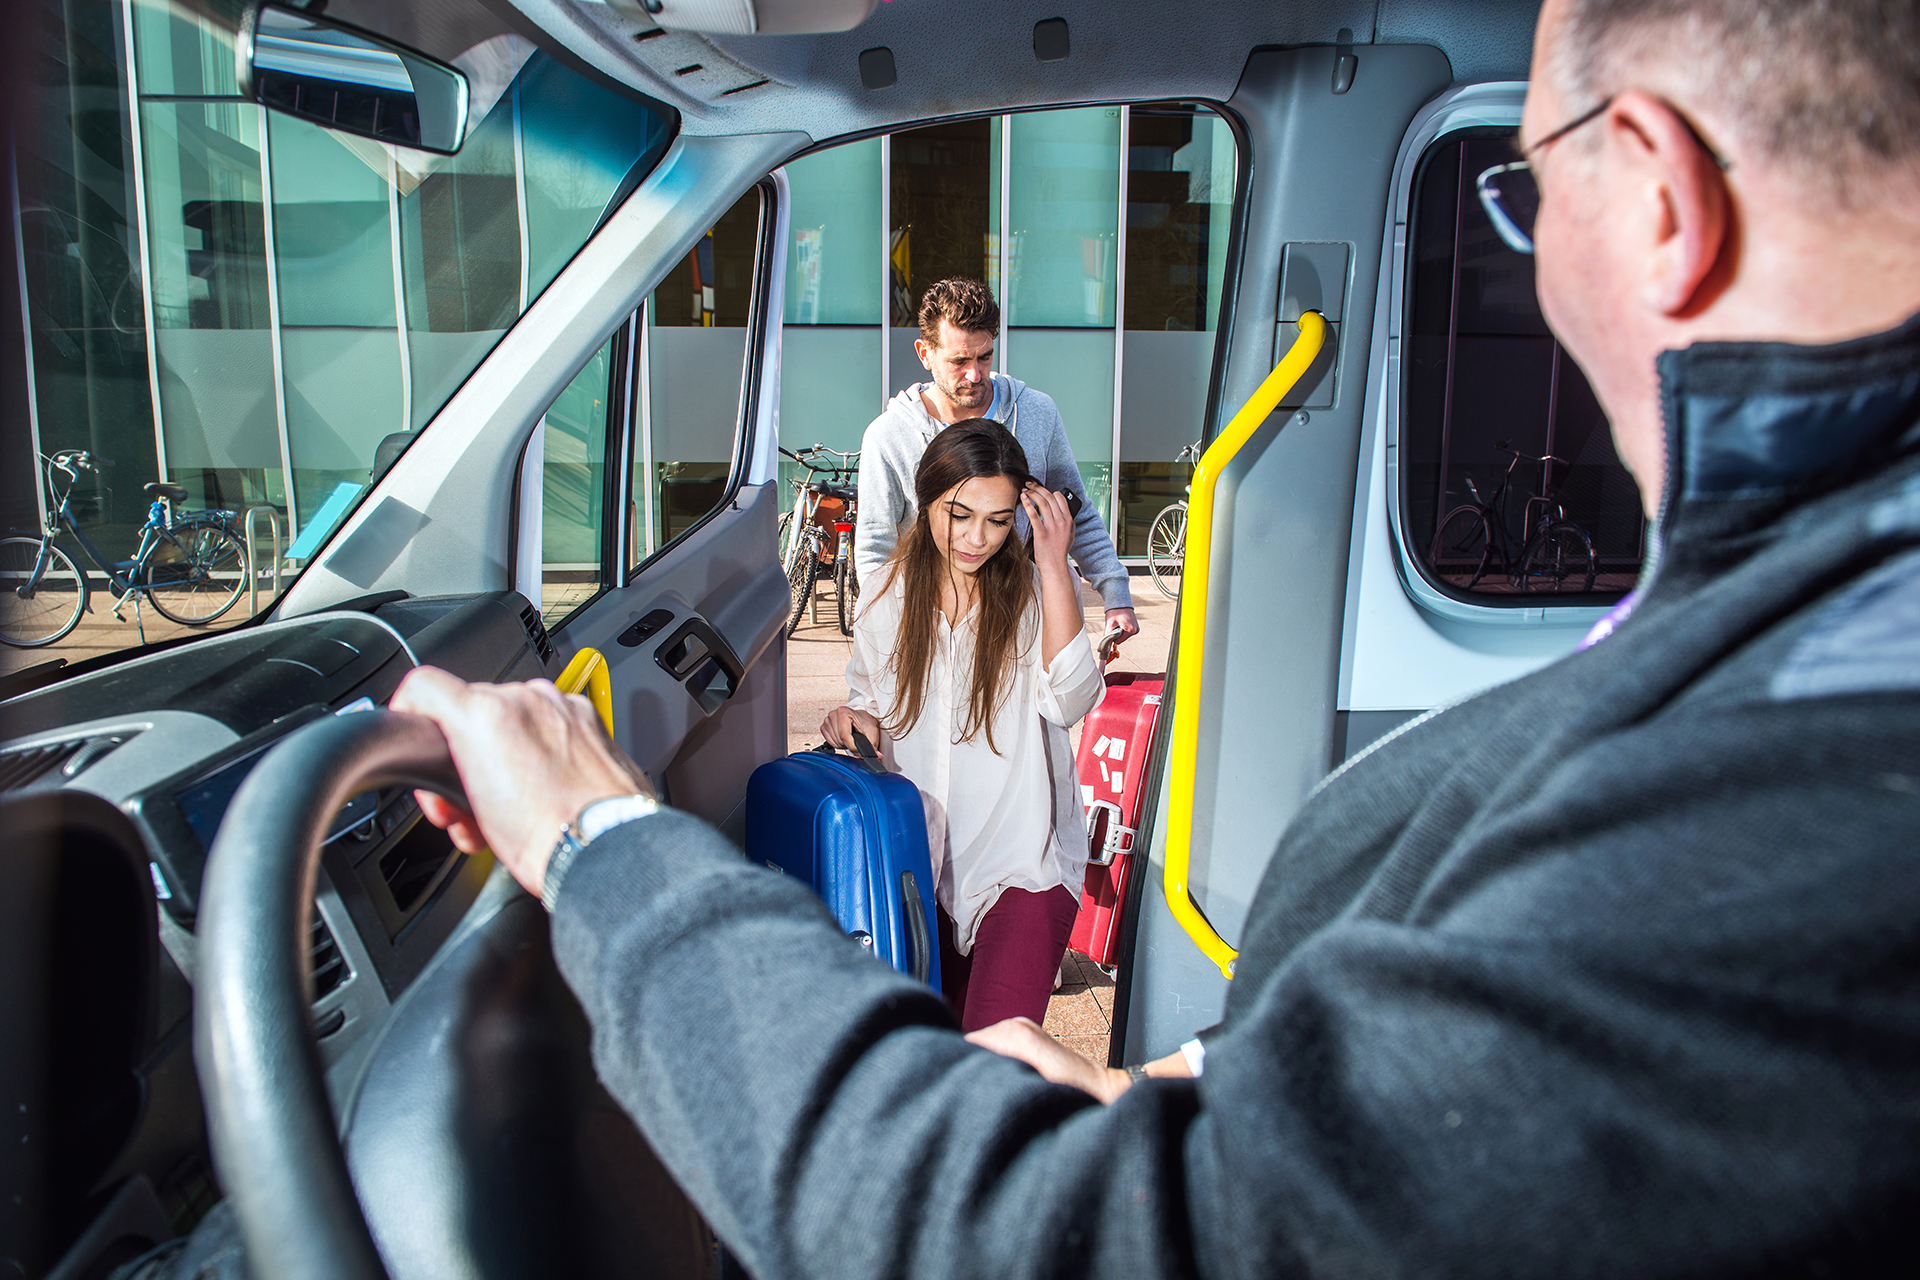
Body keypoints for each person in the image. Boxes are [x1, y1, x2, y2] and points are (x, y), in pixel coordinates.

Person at [392, 0, 1920, 1272]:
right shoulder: (1805, 627)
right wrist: (1182, 1088)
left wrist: (602, 839)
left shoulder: (1816, 775)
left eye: (1523, 194)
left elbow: (1038, 1239)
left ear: (1655, 197)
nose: (1522, 256)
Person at [821, 420, 1103, 1032]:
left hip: (1021, 868)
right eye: (960, 513)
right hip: (917, 876)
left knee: (995, 1059)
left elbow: (1074, 699)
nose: (978, 538)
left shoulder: (1034, 592)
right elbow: (867, 703)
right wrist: (851, 721)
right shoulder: (884, 598)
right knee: (933, 1062)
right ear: (926, 501)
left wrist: (1054, 565)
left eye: (999, 520)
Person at [855, 277, 1140, 646]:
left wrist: (1115, 592)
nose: (974, 375)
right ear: (924, 353)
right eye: (959, 361)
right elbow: (876, 546)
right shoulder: (889, 435)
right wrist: (882, 635)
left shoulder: (1037, 413)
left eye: (984, 357)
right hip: (936, 626)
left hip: (1026, 617)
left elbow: (1075, 511)